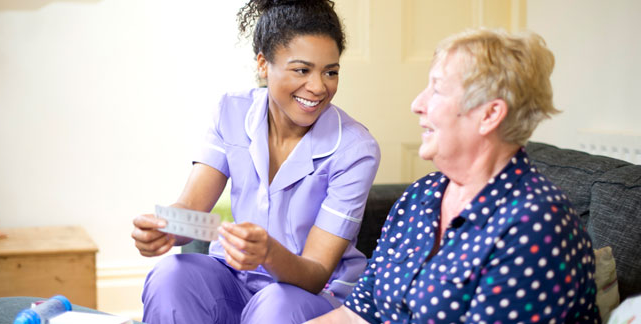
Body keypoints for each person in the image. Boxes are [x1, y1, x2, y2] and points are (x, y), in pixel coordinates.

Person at [308, 28, 600, 323]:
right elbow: (355, 315)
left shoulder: (538, 224)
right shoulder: (422, 196)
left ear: (489, 115)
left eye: (436, 89)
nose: (417, 104)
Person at [131, 1, 380, 323]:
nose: (319, 87)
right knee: (172, 275)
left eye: (330, 72)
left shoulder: (355, 149)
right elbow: (191, 207)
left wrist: (268, 253)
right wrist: (164, 229)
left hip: (312, 295)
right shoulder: (231, 111)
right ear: (264, 64)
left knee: (277, 304)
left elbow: (316, 273)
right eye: (302, 70)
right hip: (236, 279)